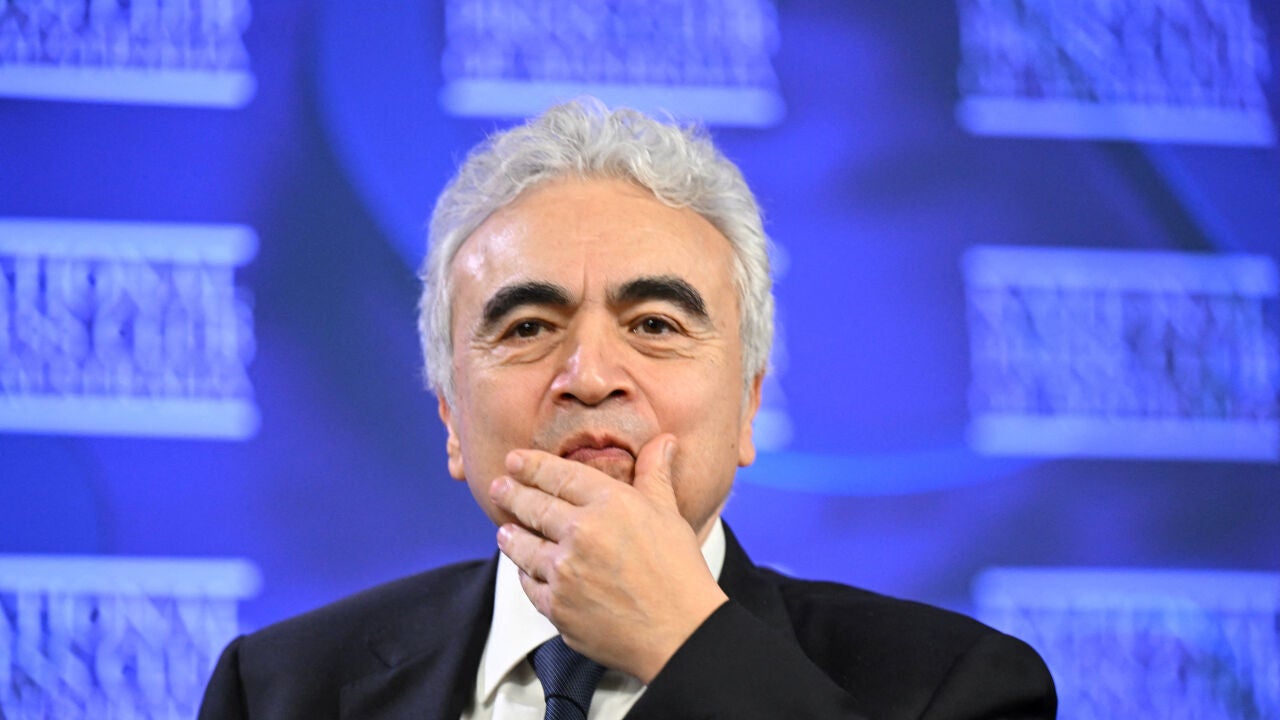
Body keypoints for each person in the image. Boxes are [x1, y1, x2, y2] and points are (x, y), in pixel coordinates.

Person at [198, 98, 1057, 719]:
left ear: (749, 405)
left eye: (654, 325)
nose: (590, 375)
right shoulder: (280, 692)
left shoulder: (955, 685)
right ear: (451, 418)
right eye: (528, 327)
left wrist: (686, 642)